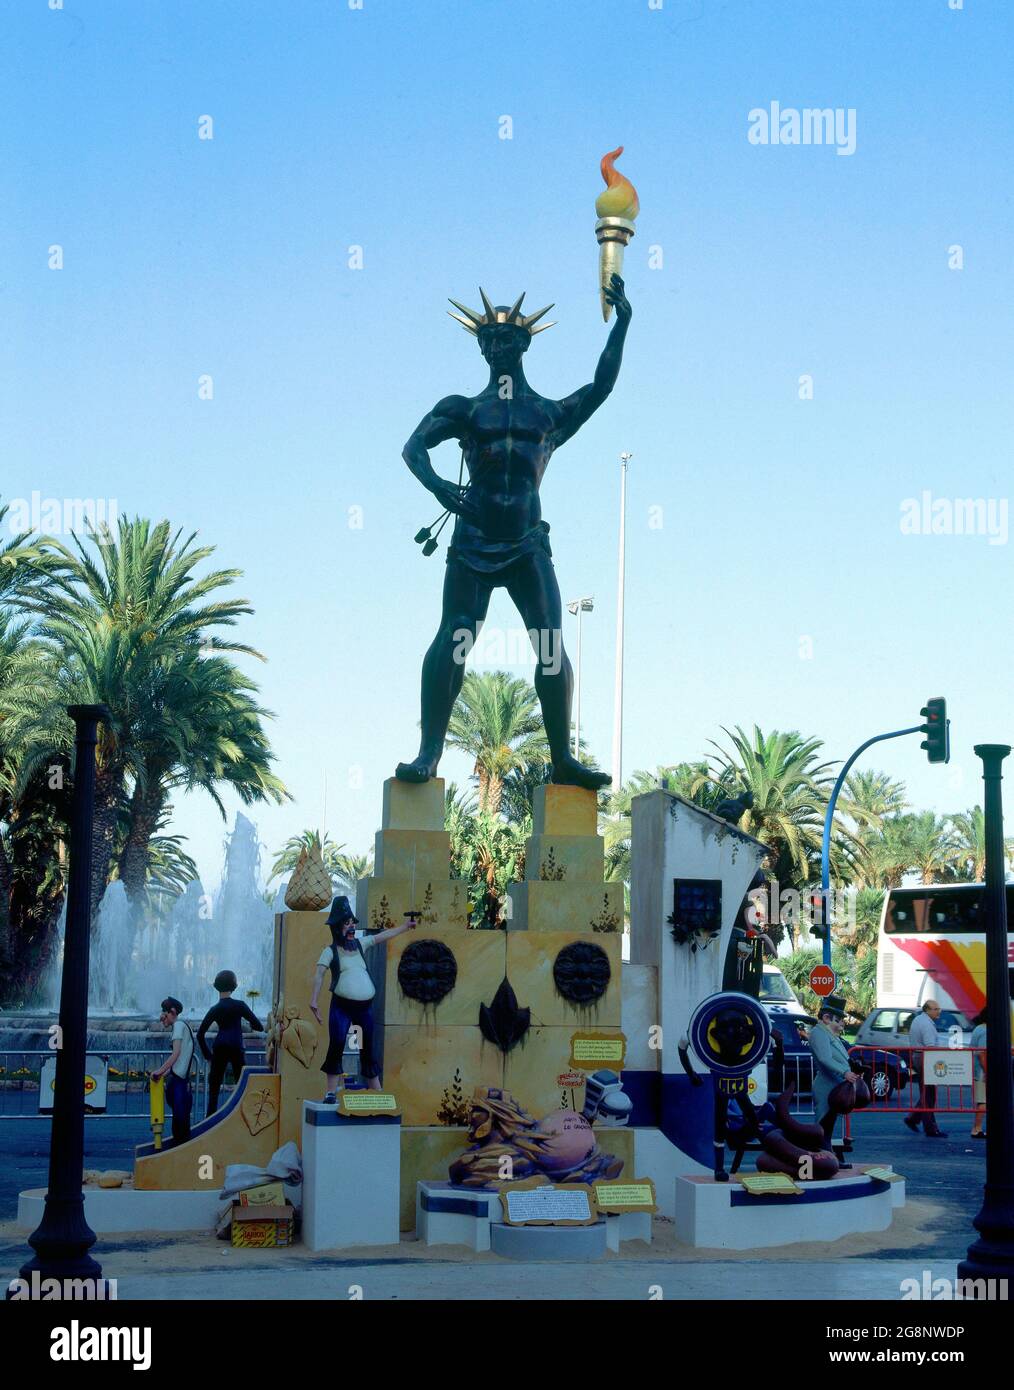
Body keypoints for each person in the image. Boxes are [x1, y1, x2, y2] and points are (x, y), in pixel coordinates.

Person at [395, 276, 631, 791]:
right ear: (480, 347)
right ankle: (429, 751)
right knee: (454, 637)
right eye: (489, 342)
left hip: (527, 543)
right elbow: (413, 448)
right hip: (474, 538)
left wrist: (623, 324)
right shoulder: (465, 408)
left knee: (550, 644)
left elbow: (602, 387)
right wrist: (437, 487)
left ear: (525, 344)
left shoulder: (546, 414)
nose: (497, 348)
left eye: (506, 341)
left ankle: (563, 758)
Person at [309, 896, 416, 1103]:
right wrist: (314, 999)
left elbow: (383, 936)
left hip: (364, 1009)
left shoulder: (360, 944)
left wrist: (405, 927)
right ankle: (331, 1091)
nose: (351, 928)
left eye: (352, 924)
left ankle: (375, 1089)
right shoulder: (329, 951)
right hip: (342, 1007)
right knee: (338, 1043)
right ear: (337, 927)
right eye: (346, 924)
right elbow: (319, 974)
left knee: (366, 1046)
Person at [197, 971, 265, 1115]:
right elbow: (258, 1026)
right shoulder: (240, 1005)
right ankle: (242, 1116)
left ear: (216, 986)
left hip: (220, 1046)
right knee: (241, 1086)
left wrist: (207, 1055)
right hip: (236, 1046)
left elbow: (200, 1034)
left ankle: (210, 1120)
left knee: (214, 1089)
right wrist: (248, 1023)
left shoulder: (214, 1009)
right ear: (234, 986)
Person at [809, 995, 859, 1146]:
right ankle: (822, 1152)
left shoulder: (831, 1035)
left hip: (834, 1085)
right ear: (826, 1018)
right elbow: (825, 1058)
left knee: (829, 1123)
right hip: (826, 1085)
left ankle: (826, 1150)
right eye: (839, 1019)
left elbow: (840, 1057)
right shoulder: (819, 1033)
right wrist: (844, 1072)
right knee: (824, 1121)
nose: (843, 1022)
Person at [151, 996, 195, 1144]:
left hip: (179, 1083)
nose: (161, 1017)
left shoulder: (178, 1026)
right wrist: (164, 1073)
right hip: (180, 1081)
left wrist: (159, 1071)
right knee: (181, 1120)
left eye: (164, 1012)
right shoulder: (183, 1026)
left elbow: (175, 1054)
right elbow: (180, 1059)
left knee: (180, 1122)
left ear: (172, 1012)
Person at [903, 999, 947, 1137]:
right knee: (929, 1093)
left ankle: (915, 1119)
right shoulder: (927, 1024)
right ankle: (929, 1127)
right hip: (925, 1058)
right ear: (927, 1010)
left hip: (920, 1057)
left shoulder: (919, 1020)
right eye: (936, 1009)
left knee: (927, 1092)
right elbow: (930, 1046)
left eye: (938, 1008)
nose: (939, 1011)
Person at [969, 1005, 987, 1139]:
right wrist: (987, 1071)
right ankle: (977, 1129)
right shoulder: (985, 1031)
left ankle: (977, 1128)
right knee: (983, 1101)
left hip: (976, 1069)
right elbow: (982, 1054)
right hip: (982, 1071)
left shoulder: (978, 1028)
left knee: (982, 1100)